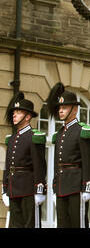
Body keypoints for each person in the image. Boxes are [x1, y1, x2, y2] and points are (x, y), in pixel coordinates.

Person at [46, 82, 90, 228]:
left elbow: (89, 160)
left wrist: (88, 185)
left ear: (74, 109)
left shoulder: (82, 130)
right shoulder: (60, 133)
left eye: (64, 107)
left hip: (76, 185)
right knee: (62, 223)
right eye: (60, 108)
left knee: (78, 223)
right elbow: (57, 162)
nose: (60, 111)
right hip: (62, 185)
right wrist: (55, 185)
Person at [2, 91, 47, 228]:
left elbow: (39, 165)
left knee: (30, 225)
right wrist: (5, 188)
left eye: (19, 112)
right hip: (13, 189)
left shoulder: (34, 136)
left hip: (29, 190)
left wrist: (39, 190)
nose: (14, 115)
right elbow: (8, 166)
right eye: (14, 112)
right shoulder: (11, 139)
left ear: (28, 116)